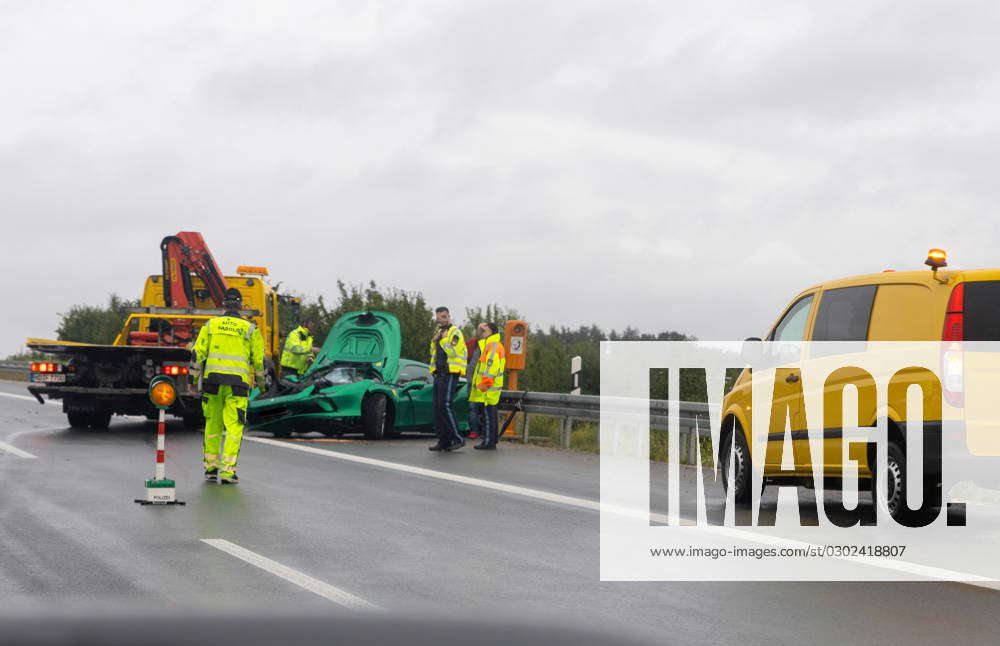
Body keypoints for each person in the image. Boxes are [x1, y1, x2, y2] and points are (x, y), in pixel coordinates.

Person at [189, 288, 265, 484]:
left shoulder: (211, 325)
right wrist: (262, 386)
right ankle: (228, 472)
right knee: (234, 427)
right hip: (237, 386)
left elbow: (197, 355)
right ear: (240, 306)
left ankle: (211, 469)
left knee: (212, 425)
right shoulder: (250, 329)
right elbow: (259, 362)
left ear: (223, 305)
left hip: (212, 383)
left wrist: (192, 382)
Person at [428, 306, 467, 452]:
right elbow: (433, 352)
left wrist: (443, 341)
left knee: (445, 405)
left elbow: (453, 351)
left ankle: (458, 438)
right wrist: (436, 341)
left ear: (449, 316)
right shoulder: (438, 332)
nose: (441, 319)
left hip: (451, 372)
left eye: (444, 317)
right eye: (439, 317)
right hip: (439, 373)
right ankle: (443, 440)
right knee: (438, 407)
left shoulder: (455, 332)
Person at [469, 322, 505, 450]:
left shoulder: (492, 347)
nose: (481, 332)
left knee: (489, 417)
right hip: (490, 388)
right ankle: (491, 441)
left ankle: (489, 442)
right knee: (490, 416)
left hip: (489, 389)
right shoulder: (489, 346)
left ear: (492, 332)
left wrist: (483, 387)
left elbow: (491, 370)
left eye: (484, 330)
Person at [465, 332, 483, 440]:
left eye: (483, 330)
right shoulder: (471, 344)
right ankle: (474, 430)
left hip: (483, 382)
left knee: (483, 408)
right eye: (479, 330)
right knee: (472, 407)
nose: (480, 332)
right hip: (471, 381)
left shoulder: (488, 346)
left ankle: (482, 431)